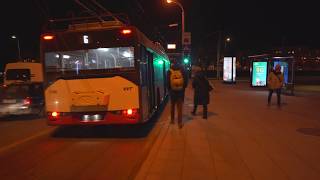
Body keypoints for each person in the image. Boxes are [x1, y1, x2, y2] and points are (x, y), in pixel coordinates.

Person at [167, 59, 188, 128]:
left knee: (172, 107)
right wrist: (183, 88)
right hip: (180, 93)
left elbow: (167, 83)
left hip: (172, 92)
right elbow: (186, 83)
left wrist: (170, 90)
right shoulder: (183, 71)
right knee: (179, 108)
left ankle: (172, 120)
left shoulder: (169, 71)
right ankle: (180, 123)